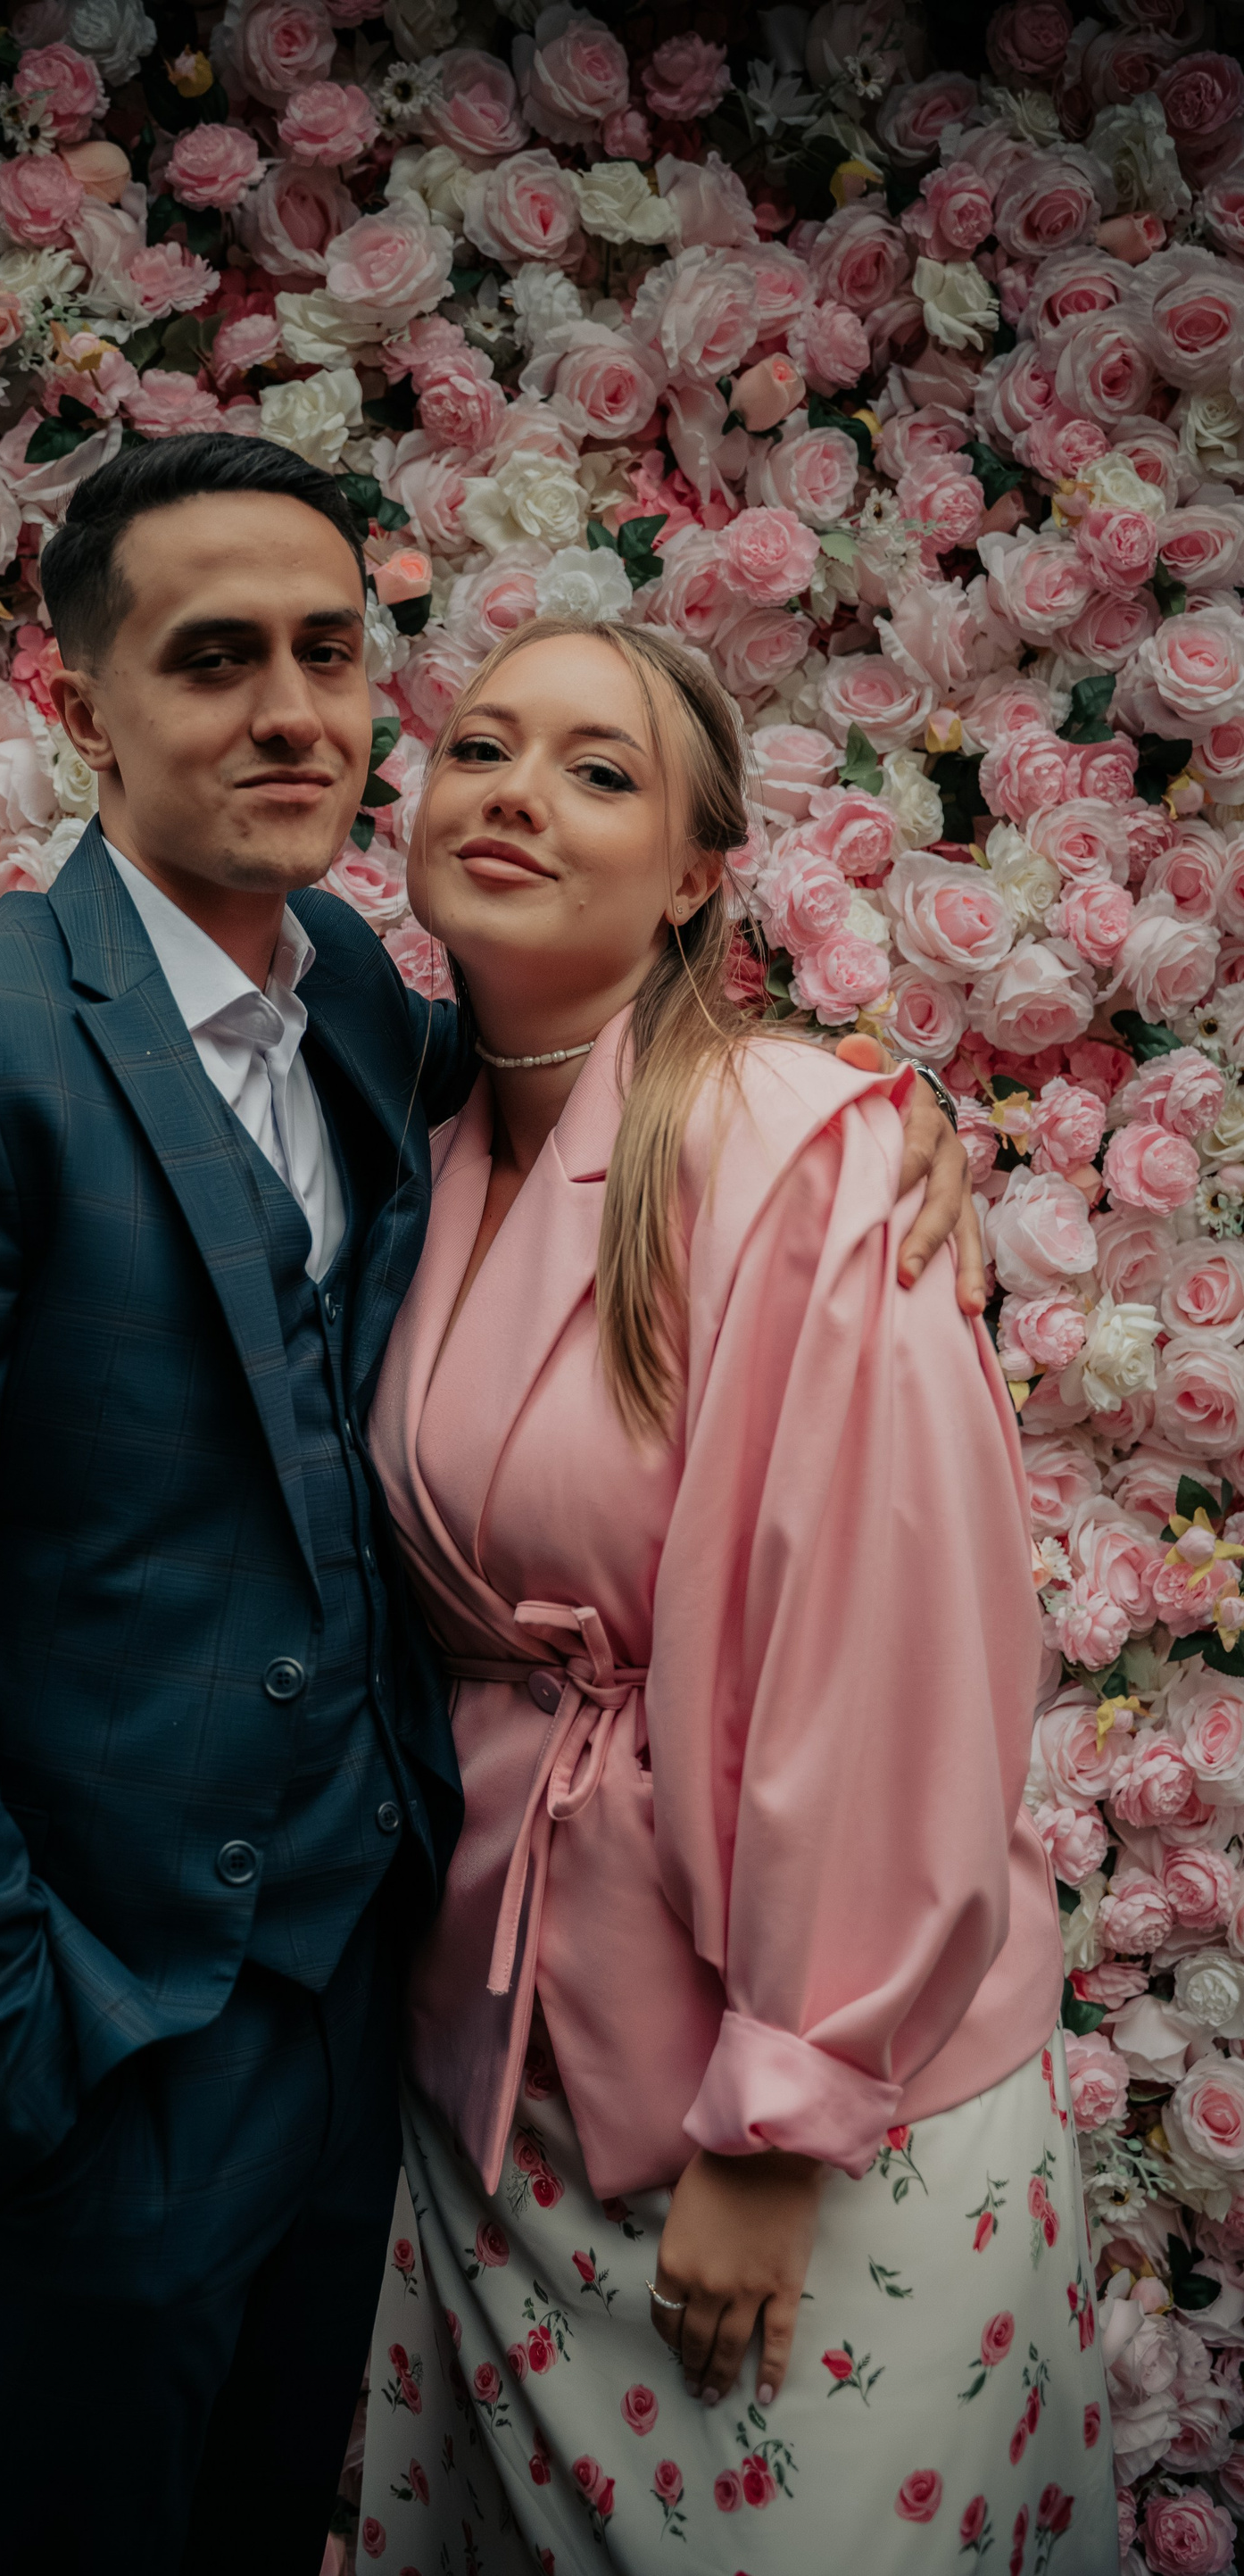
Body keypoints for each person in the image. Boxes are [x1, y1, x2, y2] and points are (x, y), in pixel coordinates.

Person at [0, 436, 976, 2573]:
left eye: (331, 653)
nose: (294, 711)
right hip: (82, 2069)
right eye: (216, 659)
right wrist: (16, 2052)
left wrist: (868, 1100)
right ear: (77, 700)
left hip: (356, 2056)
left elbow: (613, 1087)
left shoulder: (368, 1015)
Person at [356, 616, 1117, 2572]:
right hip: (502, 2063)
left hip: (800, 2082)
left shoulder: (798, 1147)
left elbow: (886, 1653)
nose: (517, 793)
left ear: (699, 876)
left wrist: (790, 2108)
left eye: (599, 770)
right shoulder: (414, 1151)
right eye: (482, 748)